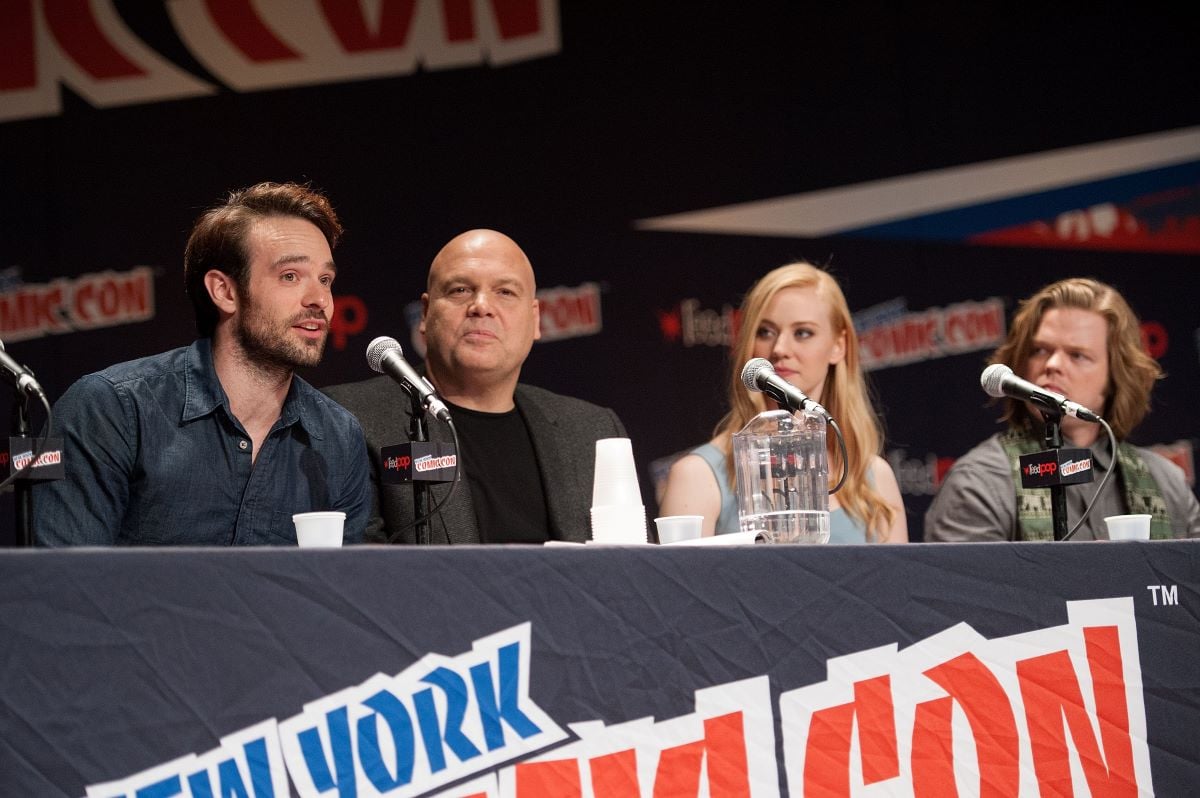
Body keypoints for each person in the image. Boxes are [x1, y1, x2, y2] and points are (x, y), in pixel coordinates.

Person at [34, 182, 371, 546]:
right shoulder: (111, 409)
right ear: (225, 292)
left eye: (326, 279)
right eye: (290, 276)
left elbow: (340, 593)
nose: (320, 299)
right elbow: (68, 589)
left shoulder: (339, 436)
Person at [323, 229, 625, 544]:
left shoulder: (592, 430)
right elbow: (357, 572)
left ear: (535, 319)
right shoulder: (352, 419)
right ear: (425, 314)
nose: (481, 306)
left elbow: (631, 567)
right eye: (460, 290)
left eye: (505, 292)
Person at [925, 277, 1200, 541]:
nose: (1052, 364)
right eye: (1040, 350)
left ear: (1116, 377)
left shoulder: (1167, 483)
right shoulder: (980, 482)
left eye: (1077, 355)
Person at [658, 262, 908, 543]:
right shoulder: (699, 476)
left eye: (802, 333)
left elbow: (897, 586)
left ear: (839, 346)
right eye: (765, 332)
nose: (779, 349)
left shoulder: (874, 479)